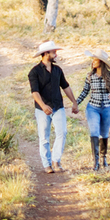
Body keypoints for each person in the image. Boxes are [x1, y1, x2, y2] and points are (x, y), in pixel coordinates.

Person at [28, 41, 77, 174]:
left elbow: (65, 86)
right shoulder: (34, 72)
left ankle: (56, 160)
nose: (55, 54)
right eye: (53, 51)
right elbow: (35, 92)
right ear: (45, 53)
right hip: (42, 109)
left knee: (62, 132)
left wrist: (74, 102)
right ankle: (46, 164)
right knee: (44, 136)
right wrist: (43, 106)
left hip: (58, 106)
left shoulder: (57, 70)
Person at [71, 49, 110, 172]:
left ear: (101, 62)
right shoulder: (90, 76)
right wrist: (76, 103)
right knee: (94, 132)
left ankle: (104, 158)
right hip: (93, 108)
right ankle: (96, 161)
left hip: (107, 107)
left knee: (104, 133)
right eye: (92, 60)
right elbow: (85, 91)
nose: (93, 62)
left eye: (95, 60)